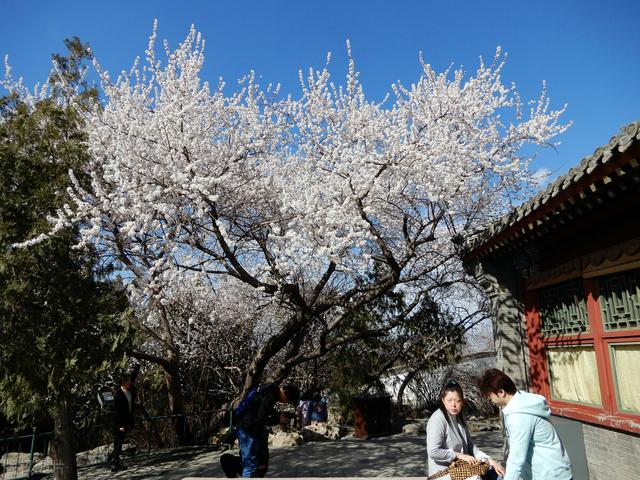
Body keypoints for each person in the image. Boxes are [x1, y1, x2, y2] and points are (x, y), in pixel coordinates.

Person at [478, 369, 573, 480]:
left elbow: (516, 458)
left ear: (501, 392)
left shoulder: (519, 416)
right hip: (552, 472)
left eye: (490, 395)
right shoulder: (522, 403)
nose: (490, 400)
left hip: (550, 475)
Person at [426, 380, 504, 479]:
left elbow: (470, 446)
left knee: (498, 475)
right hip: (444, 472)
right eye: (449, 400)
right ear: (443, 400)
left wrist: (490, 461)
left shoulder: (459, 416)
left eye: (457, 401)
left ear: (462, 402)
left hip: (464, 468)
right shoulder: (438, 419)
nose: (453, 405)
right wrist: (458, 455)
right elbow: (433, 451)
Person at [232, 383, 300, 477]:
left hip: (249, 428)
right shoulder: (269, 395)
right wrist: (277, 419)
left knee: (256, 464)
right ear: (285, 392)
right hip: (247, 430)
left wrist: (277, 416)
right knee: (250, 466)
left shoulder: (269, 390)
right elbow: (260, 419)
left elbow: (263, 410)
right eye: (288, 400)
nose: (286, 402)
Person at [108, 364, 139, 472]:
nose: (130, 382)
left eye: (130, 380)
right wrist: (119, 425)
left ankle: (115, 462)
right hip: (119, 422)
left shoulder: (130, 390)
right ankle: (114, 463)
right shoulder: (119, 394)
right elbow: (117, 412)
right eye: (128, 380)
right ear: (123, 382)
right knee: (118, 442)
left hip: (127, 420)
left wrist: (137, 365)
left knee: (120, 443)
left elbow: (134, 376)